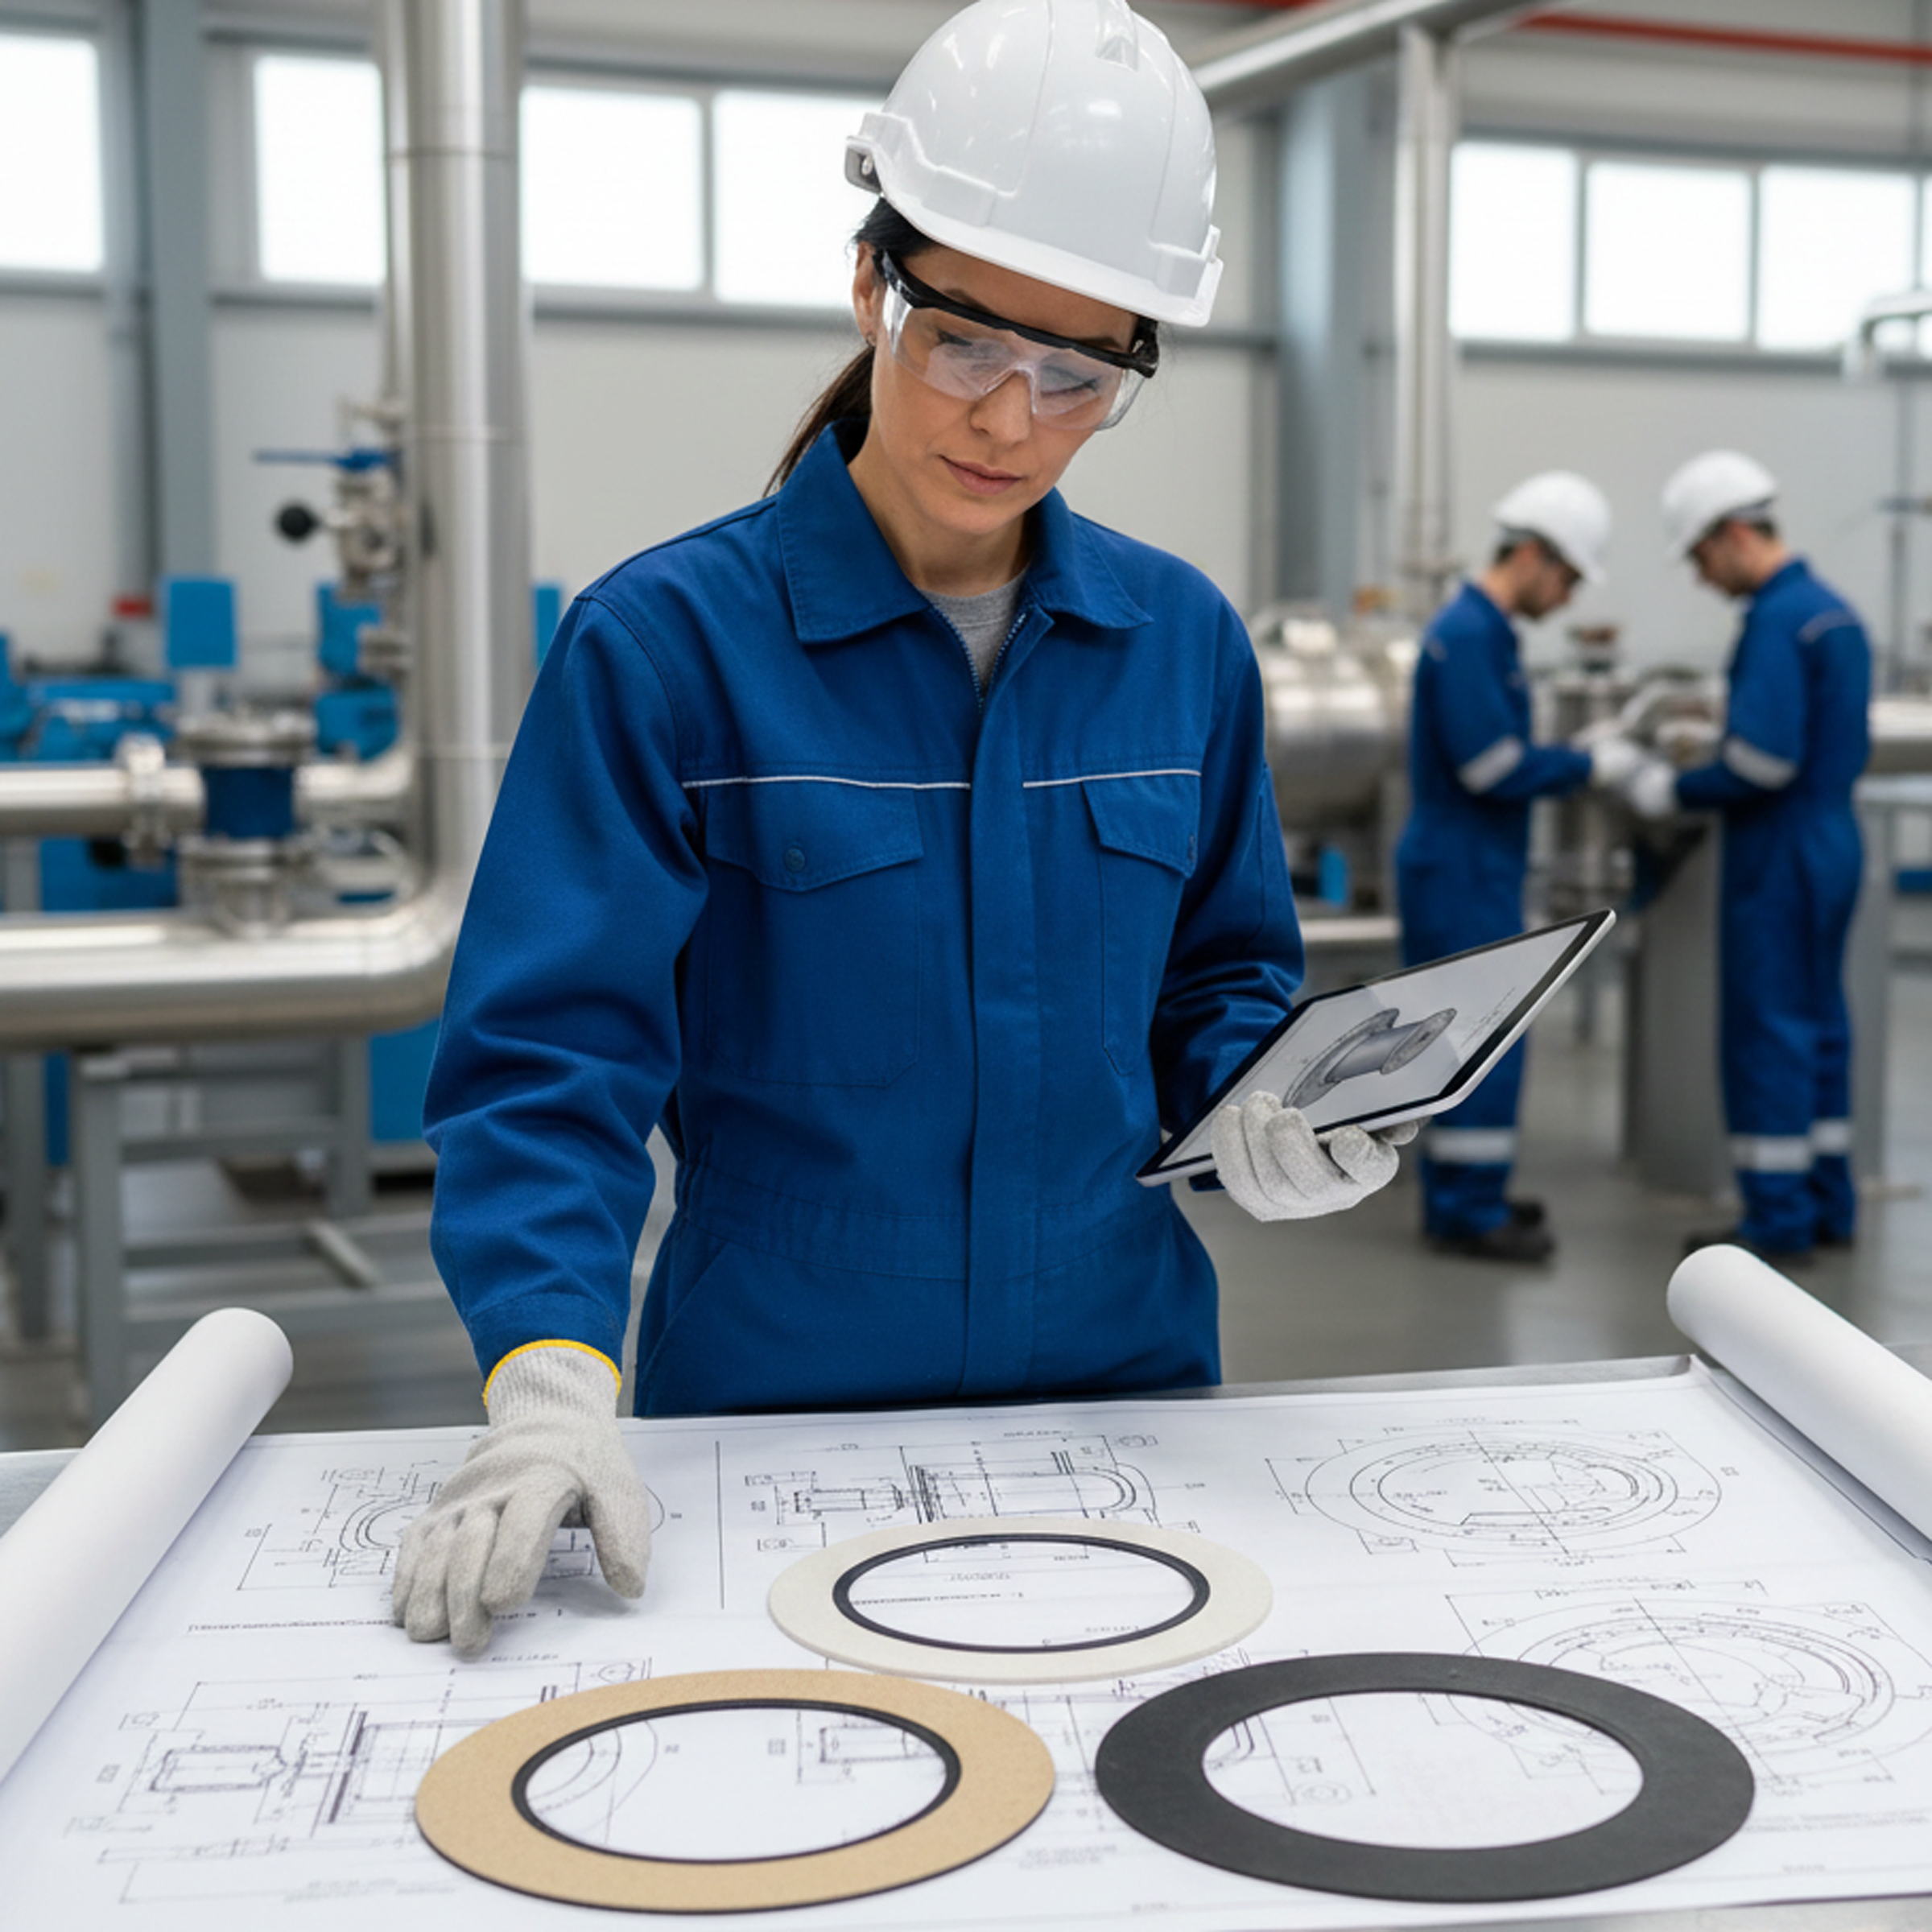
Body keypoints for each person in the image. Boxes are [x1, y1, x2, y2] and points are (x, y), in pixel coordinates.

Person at [391, 0, 1413, 1659]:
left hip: (1130, 1399)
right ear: (874, 284)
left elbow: (1219, 980)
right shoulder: (666, 649)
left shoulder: (1182, 647)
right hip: (771, 1414)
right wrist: (552, 1384)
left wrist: (1277, 1116)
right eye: (963, 343)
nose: (1009, 419)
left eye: (1079, 373)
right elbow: (548, 1065)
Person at [1616, 451, 1870, 1265]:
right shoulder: (1834, 612)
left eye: (1697, 556)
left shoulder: (1774, 620)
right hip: (1832, 839)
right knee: (1822, 1022)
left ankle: (1776, 1221)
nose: (1700, 577)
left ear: (1731, 536)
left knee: (1770, 1031)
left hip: (1779, 852)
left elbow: (1763, 761)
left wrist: (1668, 789)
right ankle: (1830, 1201)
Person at [1393, 472, 1629, 1263]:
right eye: (1564, 577)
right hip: (1461, 866)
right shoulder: (1470, 635)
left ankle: (1472, 1191)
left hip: (1474, 863)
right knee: (1476, 1039)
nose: (1564, 598)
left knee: (1478, 1034)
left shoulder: (1485, 635)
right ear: (1532, 555)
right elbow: (1491, 767)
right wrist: (1586, 766)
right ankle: (1467, 1209)